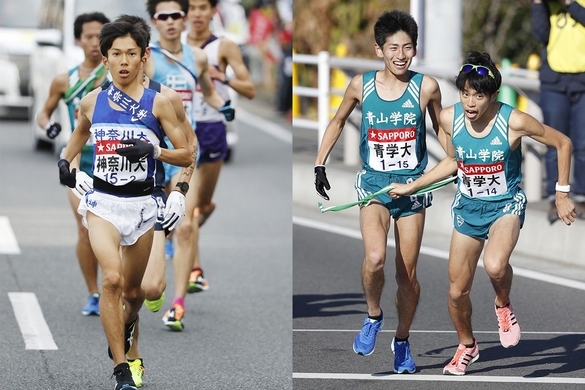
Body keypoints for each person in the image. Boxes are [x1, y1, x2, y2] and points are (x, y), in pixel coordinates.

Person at [389, 51, 576, 376]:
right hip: (467, 209)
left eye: (479, 95)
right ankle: (467, 345)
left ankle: (503, 303)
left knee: (494, 264)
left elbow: (562, 143)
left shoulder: (513, 120)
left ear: (493, 96)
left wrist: (562, 194)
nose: (471, 102)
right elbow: (452, 162)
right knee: (456, 291)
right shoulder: (449, 119)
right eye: (465, 93)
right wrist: (412, 186)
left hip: (505, 205)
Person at [57, 19, 193, 390]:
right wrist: (66, 169)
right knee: (113, 280)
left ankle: (128, 324)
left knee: (134, 295)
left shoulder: (160, 103)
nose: (123, 61)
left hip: (144, 205)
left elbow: (187, 154)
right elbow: (72, 147)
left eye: (131, 54)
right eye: (115, 54)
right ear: (105, 59)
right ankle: (121, 369)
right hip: (102, 203)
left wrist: (156, 152)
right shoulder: (91, 101)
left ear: (144, 57)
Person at [314, 10, 442, 374]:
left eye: (407, 47)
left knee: (407, 276)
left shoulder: (427, 87)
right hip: (374, 187)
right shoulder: (361, 85)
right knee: (374, 258)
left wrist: (459, 160)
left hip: (413, 188)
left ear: (415, 49)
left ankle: (401, 340)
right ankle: (373, 316)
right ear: (378, 50)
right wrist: (319, 163)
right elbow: (338, 121)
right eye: (393, 48)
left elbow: (443, 128)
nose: (400, 55)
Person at [144, 0, 238, 332]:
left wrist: (223, 106)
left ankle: (178, 304)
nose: (170, 21)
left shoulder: (196, 57)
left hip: (186, 152)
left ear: (184, 19)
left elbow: (208, 93)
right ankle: (145, 283)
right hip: (152, 154)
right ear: (154, 21)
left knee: (186, 224)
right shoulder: (146, 57)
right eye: (162, 16)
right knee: (144, 225)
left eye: (176, 15)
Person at [37, 12, 111, 316]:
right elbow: (45, 113)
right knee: (85, 228)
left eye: (100, 36)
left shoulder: (115, 75)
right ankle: (94, 292)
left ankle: (114, 287)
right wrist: (49, 127)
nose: (95, 42)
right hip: (78, 160)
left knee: (113, 228)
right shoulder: (65, 80)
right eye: (89, 36)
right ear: (78, 40)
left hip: (113, 159)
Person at [182, 0, 256, 300]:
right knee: (189, 207)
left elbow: (250, 89)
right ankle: (194, 269)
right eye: (192, 8)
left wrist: (221, 76)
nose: (197, 14)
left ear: (213, 11)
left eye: (203, 7)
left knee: (203, 204)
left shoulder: (224, 46)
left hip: (212, 128)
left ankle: (181, 231)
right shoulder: (173, 46)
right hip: (182, 128)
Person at [531, 0, 585, 223]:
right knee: (553, 143)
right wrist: (537, 4)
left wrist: (569, 3)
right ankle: (556, 197)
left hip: (582, 81)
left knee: (583, 145)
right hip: (554, 81)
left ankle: (582, 196)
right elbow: (540, 34)